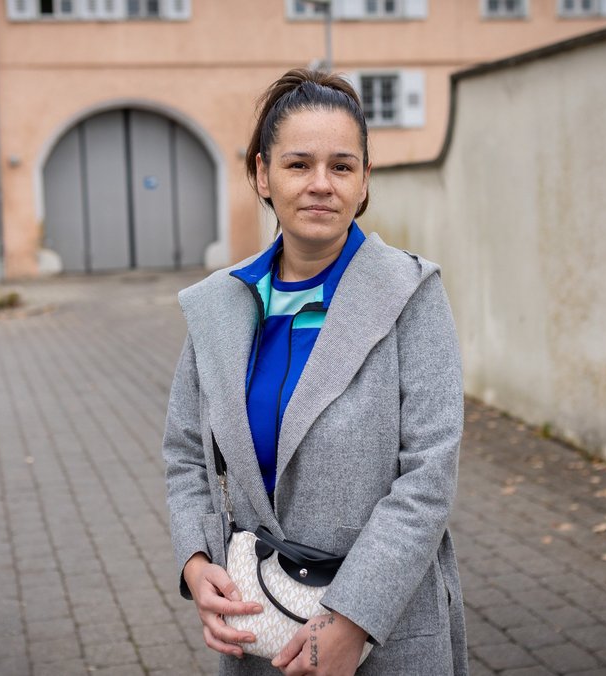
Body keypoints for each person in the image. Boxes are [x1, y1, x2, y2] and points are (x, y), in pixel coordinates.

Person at [163, 68, 467, 675]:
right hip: (259, 627)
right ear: (262, 174)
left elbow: (428, 478)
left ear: (364, 182)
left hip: (386, 629)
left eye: (342, 166)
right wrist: (197, 562)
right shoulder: (219, 305)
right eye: (299, 164)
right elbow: (186, 455)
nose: (320, 185)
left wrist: (352, 617)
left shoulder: (412, 294)